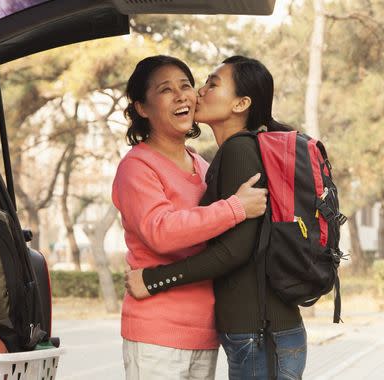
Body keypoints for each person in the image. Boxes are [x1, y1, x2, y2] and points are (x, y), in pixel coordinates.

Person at [125, 56, 307, 379]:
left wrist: (154, 279)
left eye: (187, 85)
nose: (189, 94)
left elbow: (233, 248)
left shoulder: (208, 163)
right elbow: (162, 231)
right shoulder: (137, 166)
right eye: (166, 90)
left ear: (242, 103)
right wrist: (234, 208)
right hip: (160, 332)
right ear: (142, 108)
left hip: (211, 332)